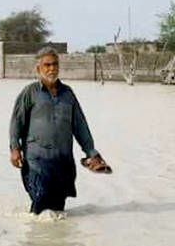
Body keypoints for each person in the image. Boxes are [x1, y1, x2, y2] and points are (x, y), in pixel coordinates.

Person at [9, 47, 107, 214]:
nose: (52, 68)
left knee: (57, 209)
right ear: (38, 68)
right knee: (40, 200)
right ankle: (34, 238)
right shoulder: (30, 93)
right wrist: (15, 148)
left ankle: (56, 239)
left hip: (62, 161)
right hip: (36, 160)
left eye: (55, 64)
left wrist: (91, 152)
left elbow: (80, 125)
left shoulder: (67, 94)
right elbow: (16, 122)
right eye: (47, 65)